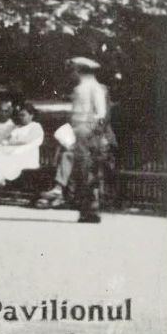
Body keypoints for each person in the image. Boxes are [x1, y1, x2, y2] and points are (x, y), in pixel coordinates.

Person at [60, 57, 113, 223]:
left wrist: (93, 133)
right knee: (80, 172)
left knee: (87, 171)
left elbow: (100, 113)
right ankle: (85, 209)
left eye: (74, 70)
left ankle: (91, 209)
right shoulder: (80, 87)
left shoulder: (95, 88)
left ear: (80, 70)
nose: (72, 73)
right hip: (78, 130)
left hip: (86, 131)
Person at [0, 102, 45, 195]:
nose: (21, 117)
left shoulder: (35, 126)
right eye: (20, 115)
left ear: (31, 115)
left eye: (23, 115)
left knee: (12, 153)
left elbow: (27, 140)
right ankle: (0, 176)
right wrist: (4, 143)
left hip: (29, 154)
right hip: (17, 150)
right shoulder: (17, 127)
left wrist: (10, 143)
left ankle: (4, 176)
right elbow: (7, 139)